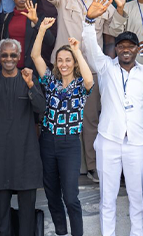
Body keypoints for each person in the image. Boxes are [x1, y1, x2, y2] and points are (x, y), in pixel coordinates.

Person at [36, 0, 120, 183]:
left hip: (89, 70)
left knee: (90, 119)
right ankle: (57, 169)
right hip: (61, 69)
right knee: (55, 117)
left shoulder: (103, 2)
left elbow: (111, 37)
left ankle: (92, 167)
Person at [82, 0, 143, 236]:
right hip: (108, 140)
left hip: (136, 143)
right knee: (107, 198)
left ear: (136, 49)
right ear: (116, 49)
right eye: (121, 46)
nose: (125, 50)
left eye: (130, 46)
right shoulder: (105, 67)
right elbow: (90, 47)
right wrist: (89, 20)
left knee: (137, 199)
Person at [31, 18, 94, 236]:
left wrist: (76, 51)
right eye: (60, 60)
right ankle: (60, 232)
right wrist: (41, 30)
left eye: (68, 60)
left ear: (74, 62)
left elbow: (88, 79)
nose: (64, 64)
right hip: (48, 141)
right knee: (52, 194)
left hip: (69, 144)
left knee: (70, 196)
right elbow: (35, 57)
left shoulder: (80, 86)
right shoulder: (50, 82)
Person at [0, 46, 46, 236]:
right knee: (2, 217)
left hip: (26, 155)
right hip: (1, 155)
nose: (8, 59)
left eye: (13, 55)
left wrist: (31, 84)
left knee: (27, 216)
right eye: (4, 55)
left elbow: (41, 107)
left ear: (19, 56)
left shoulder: (27, 78)